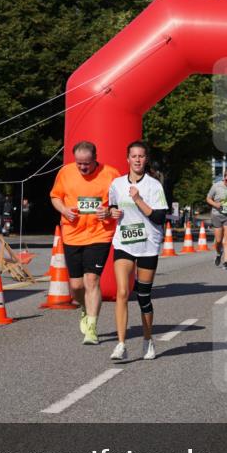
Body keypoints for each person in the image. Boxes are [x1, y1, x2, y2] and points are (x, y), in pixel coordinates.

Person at [50, 141, 120, 345]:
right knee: (76, 285)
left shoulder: (111, 174)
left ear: (95, 159)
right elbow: (55, 197)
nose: (82, 167)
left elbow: (120, 203)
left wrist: (108, 211)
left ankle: (92, 326)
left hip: (100, 234)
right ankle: (84, 307)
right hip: (72, 233)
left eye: (86, 164)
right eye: (79, 163)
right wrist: (64, 210)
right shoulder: (65, 172)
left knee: (92, 281)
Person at [108, 141, 167, 361]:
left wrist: (138, 199)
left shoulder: (154, 186)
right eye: (134, 156)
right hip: (124, 242)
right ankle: (121, 344)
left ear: (146, 159)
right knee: (122, 293)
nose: (138, 160)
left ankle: (148, 339)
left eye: (141, 156)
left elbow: (159, 217)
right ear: (127, 159)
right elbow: (112, 205)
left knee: (143, 296)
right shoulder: (116, 184)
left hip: (148, 245)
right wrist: (112, 212)